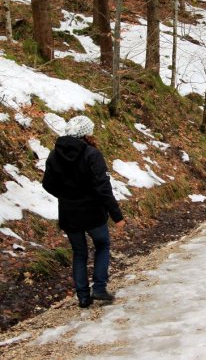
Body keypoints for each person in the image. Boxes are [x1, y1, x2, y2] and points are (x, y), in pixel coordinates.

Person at [42, 115, 126, 308]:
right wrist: (117, 216)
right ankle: (99, 288)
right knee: (102, 245)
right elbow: (103, 187)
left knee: (79, 253)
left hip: (69, 213)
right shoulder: (91, 154)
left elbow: (47, 184)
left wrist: (66, 196)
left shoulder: (54, 154)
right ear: (86, 133)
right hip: (93, 212)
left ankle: (83, 296)